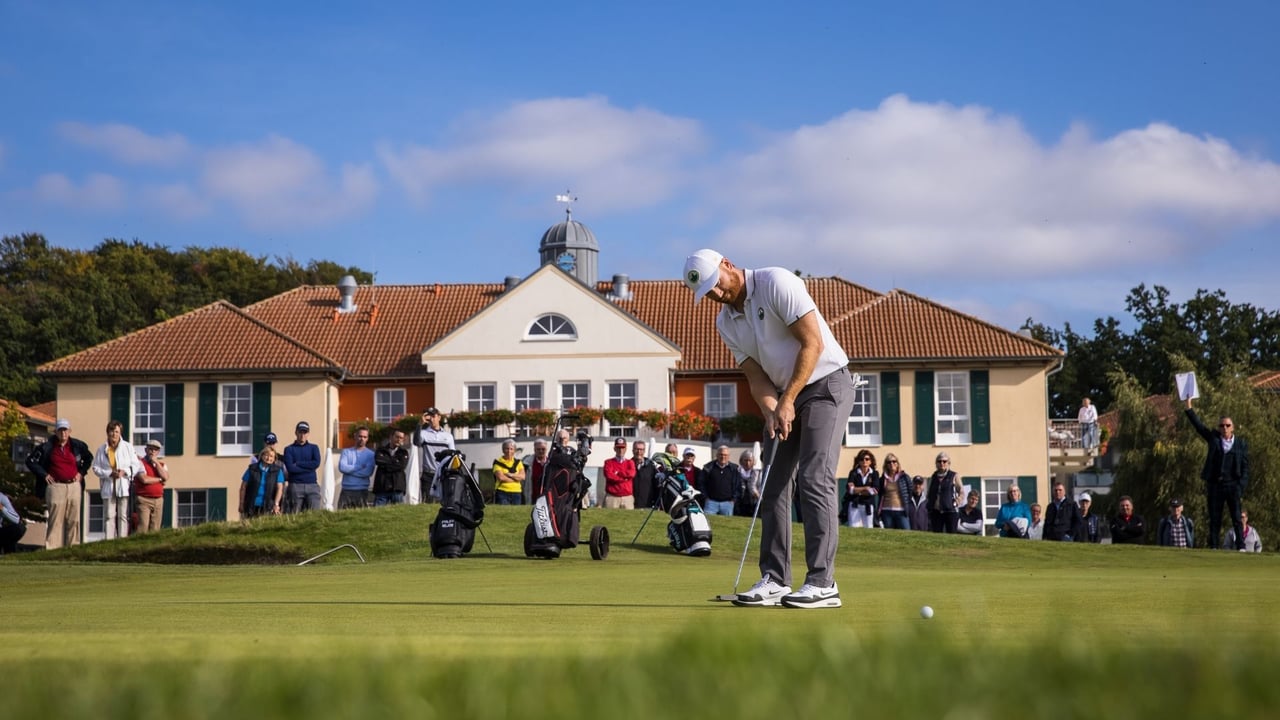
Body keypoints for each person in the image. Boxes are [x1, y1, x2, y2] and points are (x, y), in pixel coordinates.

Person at [684, 248, 856, 609]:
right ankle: (776, 579)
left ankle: (823, 583)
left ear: (727, 265)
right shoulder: (725, 323)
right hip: (783, 396)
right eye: (707, 292)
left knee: (814, 478)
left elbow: (813, 343)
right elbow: (755, 377)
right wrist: (771, 410)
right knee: (773, 487)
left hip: (826, 384)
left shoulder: (776, 282)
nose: (716, 293)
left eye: (716, 283)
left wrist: (787, 400)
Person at [1185, 398, 1248, 551]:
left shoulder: (1240, 444)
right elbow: (1199, 427)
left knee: (1236, 517)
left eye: (1227, 425)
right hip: (1216, 485)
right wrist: (1189, 407)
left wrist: (1240, 486)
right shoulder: (1214, 439)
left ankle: (1241, 546)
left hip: (1233, 485)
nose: (1224, 428)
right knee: (1214, 517)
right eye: (1222, 425)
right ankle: (1213, 546)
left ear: (1233, 428)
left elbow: (1245, 467)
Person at [26, 418, 93, 549]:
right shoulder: (46, 447)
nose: (63, 433)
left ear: (70, 431)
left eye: (65, 430)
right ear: (55, 432)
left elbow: (88, 458)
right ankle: (52, 548)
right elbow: (30, 461)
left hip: (73, 485)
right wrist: (44, 474)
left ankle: (73, 548)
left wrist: (81, 473)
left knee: (73, 519)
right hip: (56, 486)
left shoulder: (77, 446)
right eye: (60, 430)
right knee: (55, 520)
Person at [92, 420, 142, 540]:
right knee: (109, 515)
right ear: (107, 432)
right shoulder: (102, 449)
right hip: (108, 485)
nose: (114, 434)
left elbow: (136, 465)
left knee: (123, 515)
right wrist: (109, 473)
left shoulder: (128, 447)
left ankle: (122, 539)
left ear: (120, 433)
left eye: (116, 432)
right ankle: (109, 539)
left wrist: (124, 472)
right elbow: (95, 468)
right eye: (111, 431)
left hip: (123, 485)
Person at [413, 408, 455, 503]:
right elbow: (416, 442)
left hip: (443, 473)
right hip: (428, 474)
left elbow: (452, 455)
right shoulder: (423, 433)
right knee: (428, 502)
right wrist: (420, 424)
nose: (431, 419)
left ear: (439, 417)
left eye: (433, 416)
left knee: (444, 502)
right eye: (429, 417)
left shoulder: (448, 436)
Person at [283, 421, 323, 512]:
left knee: (315, 514)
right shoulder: (289, 449)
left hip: (312, 485)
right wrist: (309, 468)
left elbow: (316, 463)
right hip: (295, 485)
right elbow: (291, 468)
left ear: (308, 434)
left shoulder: (314, 448)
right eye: (300, 432)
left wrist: (298, 463)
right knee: (294, 514)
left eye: (305, 432)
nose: (302, 435)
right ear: (296, 433)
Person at [134, 439, 168, 533]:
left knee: (155, 528)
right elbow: (144, 479)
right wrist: (159, 479)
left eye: (155, 450)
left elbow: (165, 476)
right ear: (146, 450)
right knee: (143, 526)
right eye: (150, 449)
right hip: (144, 499)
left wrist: (156, 463)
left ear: (158, 452)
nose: (152, 451)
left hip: (158, 500)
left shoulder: (162, 465)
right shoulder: (140, 463)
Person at [240, 446, 285, 518]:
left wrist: (276, 504)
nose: (268, 458)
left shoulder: (277, 471)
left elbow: (279, 489)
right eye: (266, 455)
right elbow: (243, 487)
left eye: (271, 456)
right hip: (251, 505)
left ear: (274, 459)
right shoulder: (252, 469)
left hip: (268, 506)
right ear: (262, 456)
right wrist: (241, 503)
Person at [337, 427, 375, 509]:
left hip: (362, 491)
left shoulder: (371, 455)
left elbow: (368, 472)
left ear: (367, 438)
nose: (362, 439)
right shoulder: (346, 452)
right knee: (342, 516)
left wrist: (349, 471)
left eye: (365, 437)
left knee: (361, 516)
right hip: (346, 490)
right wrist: (360, 467)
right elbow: (342, 468)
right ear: (355, 436)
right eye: (360, 436)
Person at [926, 452, 962, 533]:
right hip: (936, 511)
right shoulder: (934, 476)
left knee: (951, 534)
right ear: (936, 463)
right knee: (937, 534)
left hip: (950, 511)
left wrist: (957, 501)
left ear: (948, 463)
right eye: (939, 461)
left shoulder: (954, 475)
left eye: (944, 461)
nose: (942, 463)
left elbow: (961, 491)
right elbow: (929, 492)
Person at [843, 449, 879, 528]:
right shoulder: (853, 473)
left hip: (868, 505)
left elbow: (875, 490)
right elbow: (850, 490)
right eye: (862, 459)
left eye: (867, 459)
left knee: (869, 527)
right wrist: (866, 488)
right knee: (853, 527)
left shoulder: (874, 474)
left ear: (871, 461)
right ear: (858, 461)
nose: (864, 461)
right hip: (855, 504)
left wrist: (857, 490)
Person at [699, 445, 739, 516]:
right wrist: (705, 497)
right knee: (708, 521)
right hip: (711, 503)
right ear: (717, 455)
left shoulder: (734, 469)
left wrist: (733, 499)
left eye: (725, 455)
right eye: (721, 454)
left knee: (727, 522)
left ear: (728, 456)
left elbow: (738, 485)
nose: (723, 457)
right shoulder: (708, 467)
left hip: (728, 503)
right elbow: (701, 483)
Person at [373, 430, 410, 506]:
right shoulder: (381, 450)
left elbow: (402, 466)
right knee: (377, 512)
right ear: (391, 437)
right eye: (397, 437)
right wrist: (395, 462)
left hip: (397, 487)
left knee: (398, 512)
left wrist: (386, 464)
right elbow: (378, 461)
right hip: (382, 487)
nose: (399, 439)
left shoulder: (403, 452)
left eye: (401, 438)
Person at [875, 454, 911, 530]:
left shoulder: (904, 477)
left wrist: (908, 506)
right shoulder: (883, 479)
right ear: (886, 465)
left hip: (901, 510)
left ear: (897, 463)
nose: (892, 464)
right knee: (890, 533)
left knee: (906, 531)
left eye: (894, 461)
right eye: (889, 462)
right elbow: (880, 494)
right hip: (886, 510)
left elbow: (910, 492)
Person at [602, 438, 636, 509]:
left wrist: (618, 473)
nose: (620, 450)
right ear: (614, 448)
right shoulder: (608, 462)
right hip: (612, 497)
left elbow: (632, 473)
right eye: (618, 448)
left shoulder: (630, 462)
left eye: (622, 448)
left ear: (626, 449)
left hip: (627, 497)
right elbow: (609, 476)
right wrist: (624, 479)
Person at [492, 439, 526, 505]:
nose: (509, 451)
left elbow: (523, 477)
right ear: (503, 450)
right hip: (502, 492)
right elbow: (501, 478)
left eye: (511, 449)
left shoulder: (518, 462)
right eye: (507, 449)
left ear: (514, 450)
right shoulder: (498, 463)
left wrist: (510, 475)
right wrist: (516, 479)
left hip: (517, 492)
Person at [733, 449, 762, 518]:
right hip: (739, 502)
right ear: (741, 461)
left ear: (753, 462)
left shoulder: (757, 473)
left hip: (754, 502)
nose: (748, 463)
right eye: (745, 460)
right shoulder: (736, 472)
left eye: (750, 460)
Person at [0, 489, 27, 554]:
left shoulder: (2, 498)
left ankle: (9, 555)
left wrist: (2, 509)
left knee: (19, 528)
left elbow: (16, 519)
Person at [632, 440, 656, 510]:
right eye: (637, 449)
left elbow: (655, 485)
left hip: (647, 505)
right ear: (633, 450)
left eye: (641, 449)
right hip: (631, 504)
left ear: (644, 451)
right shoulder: (628, 465)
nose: (639, 452)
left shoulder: (651, 466)